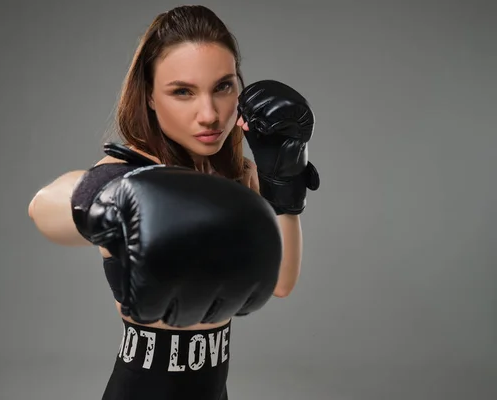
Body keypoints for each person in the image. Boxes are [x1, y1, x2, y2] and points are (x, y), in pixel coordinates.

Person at [27, 5, 319, 400]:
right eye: (183, 91)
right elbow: (44, 207)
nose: (209, 114)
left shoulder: (238, 173)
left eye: (223, 87)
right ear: (148, 96)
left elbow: (280, 283)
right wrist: (110, 197)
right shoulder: (131, 170)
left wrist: (283, 182)